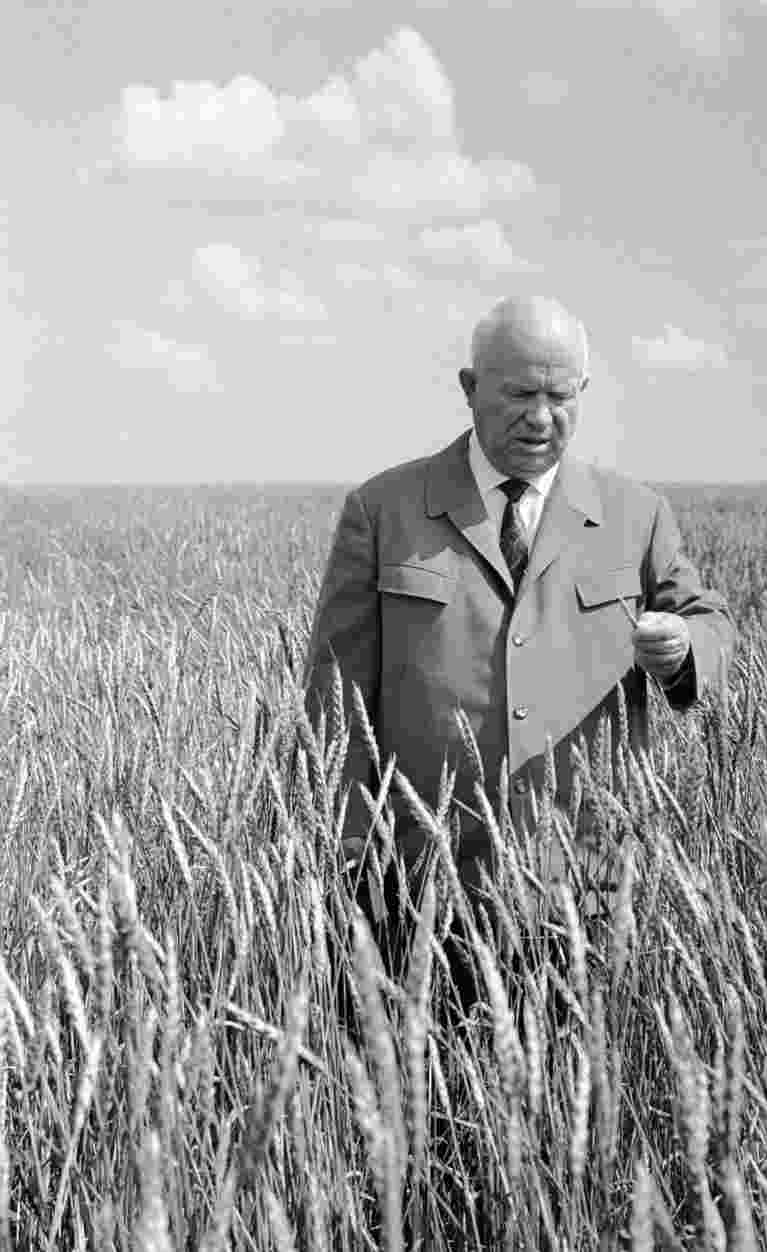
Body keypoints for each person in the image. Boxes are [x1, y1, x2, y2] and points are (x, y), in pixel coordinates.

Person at [302, 295, 735, 1000]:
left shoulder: (636, 514)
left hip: (582, 877)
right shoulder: (384, 510)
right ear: (471, 389)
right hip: (421, 878)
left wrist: (684, 647)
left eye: (561, 396)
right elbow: (336, 687)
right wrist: (351, 837)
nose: (541, 417)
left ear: (584, 394)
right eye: (520, 394)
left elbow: (706, 620)